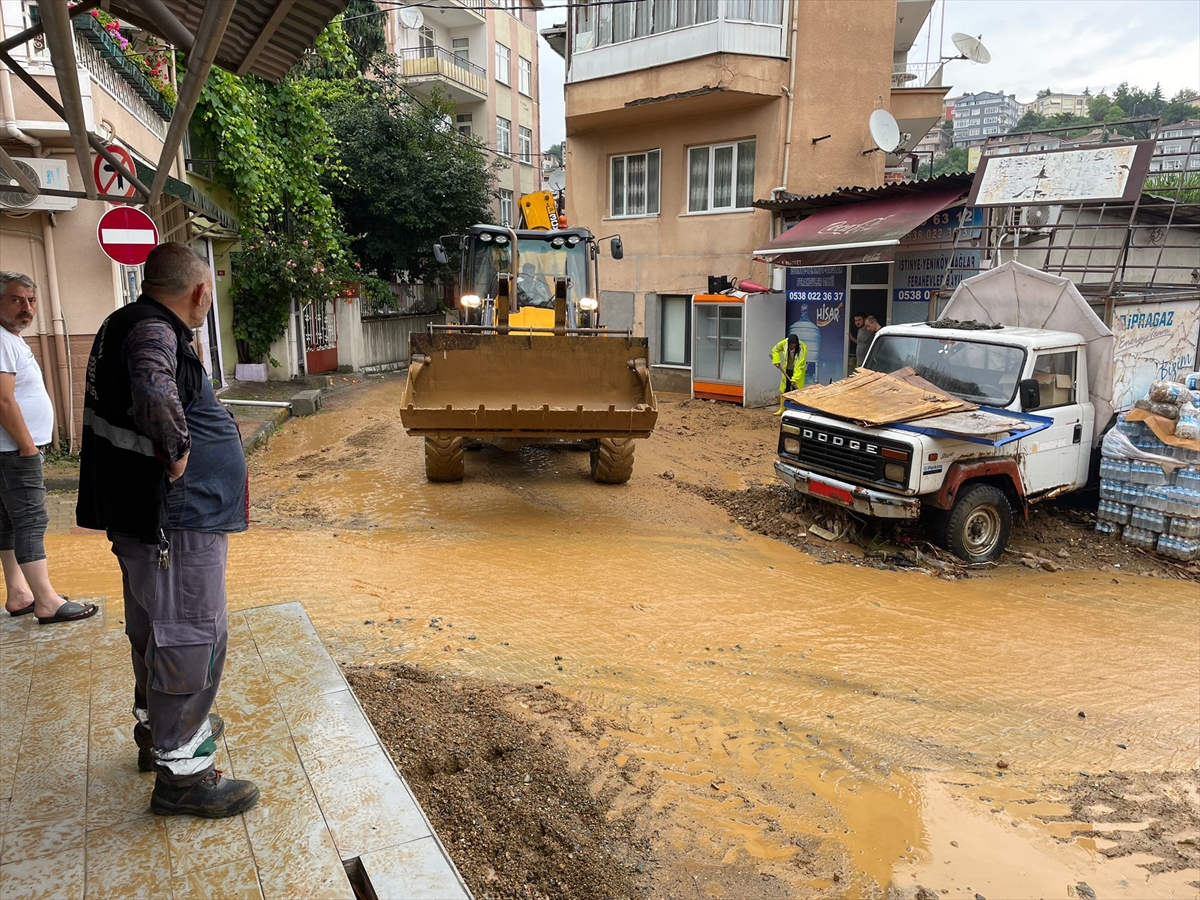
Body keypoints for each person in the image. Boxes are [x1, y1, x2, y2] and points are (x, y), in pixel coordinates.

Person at [76, 243, 258, 819]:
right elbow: (154, 389)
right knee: (190, 637)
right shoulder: (154, 333)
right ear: (201, 291)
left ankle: (161, 730)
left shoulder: (124, 321)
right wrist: (179, 452)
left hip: (153, 522)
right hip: (175, 524)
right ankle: (182, 773)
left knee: (157, 628)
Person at [0, 272, 97, 624]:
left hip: (9, 450)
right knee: (30, 520)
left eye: (31, 301)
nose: (27, 308)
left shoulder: (10, 337)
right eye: (16, 299)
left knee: (8, 521)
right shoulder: (1, 340)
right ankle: (46, 601)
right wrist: (27, 446)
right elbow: (3, 400)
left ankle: (19, 593)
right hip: (13, 451)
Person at [770, 333, 807, 416]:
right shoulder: (784, 343)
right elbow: (775, 350)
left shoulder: (802, 349)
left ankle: (796, 411)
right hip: (787, 370)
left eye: (794, 345)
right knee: (784, 389)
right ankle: (782, 409)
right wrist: (776, 361)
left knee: (796, 390)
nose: (792, 347)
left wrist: (795, 379)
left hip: (797, 372)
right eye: (791, 345)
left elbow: (799, 366)